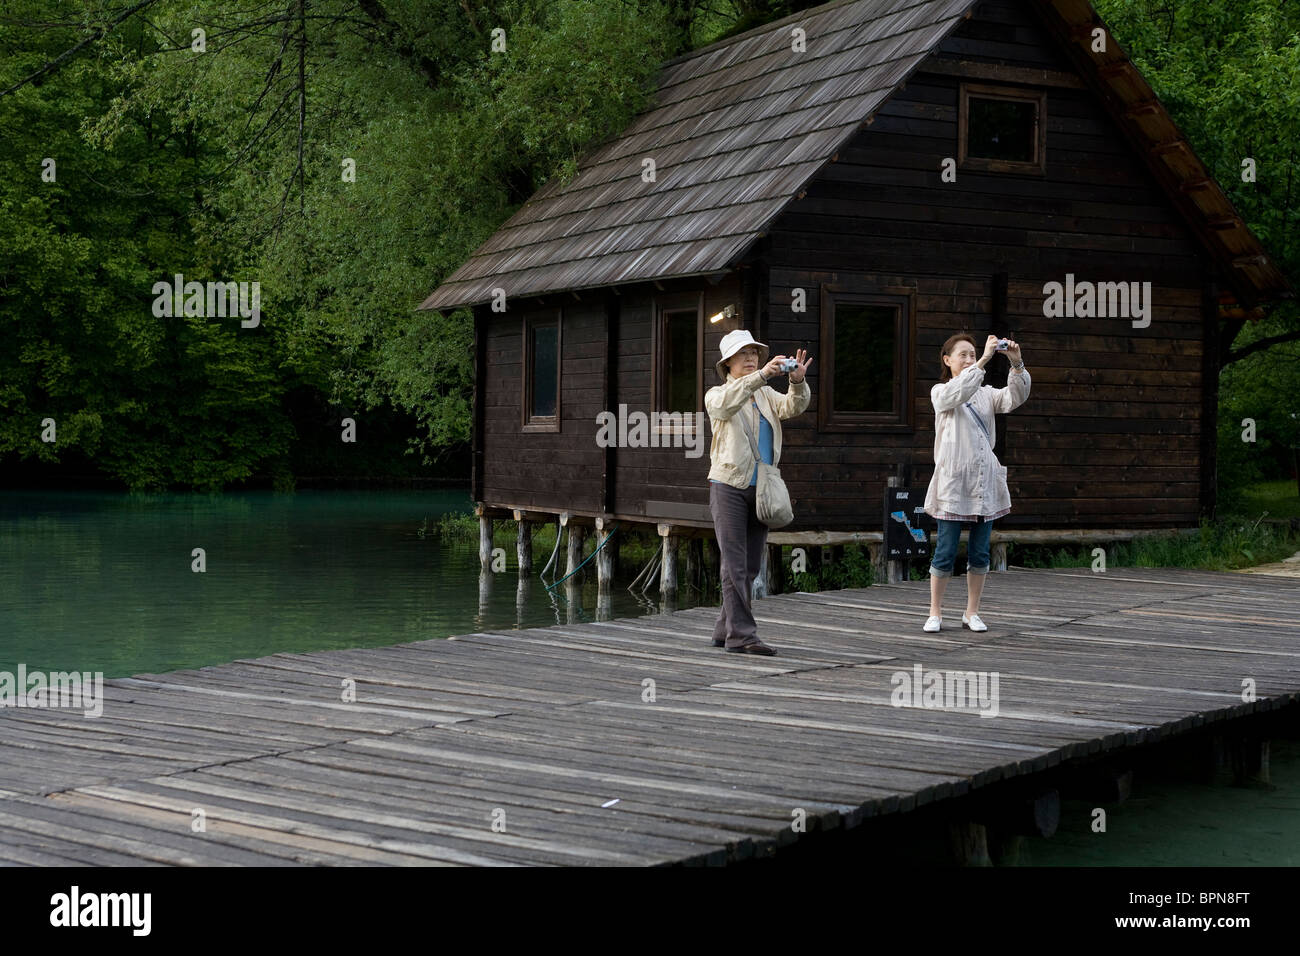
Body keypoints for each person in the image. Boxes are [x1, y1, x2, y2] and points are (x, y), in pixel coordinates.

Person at [705, 329, 812, 655]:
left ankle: (725, 629)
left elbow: (794, 407)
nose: (751, 358)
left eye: (754, 353)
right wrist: (763, 376)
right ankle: (743, 636)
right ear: (728, 364)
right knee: (734, 565)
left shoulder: (764, 395)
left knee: (750, 567)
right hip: (728, 487)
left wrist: (797, 381)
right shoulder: (716, 394)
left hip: (761, 489)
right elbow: (725, 406)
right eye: (743, 354)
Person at [923, 333, 1030, 633]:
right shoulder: (940, 391)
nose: (970, 359)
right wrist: (983, 360)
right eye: (964, 355)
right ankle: (935, 611)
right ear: (947, 360)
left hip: (984, 483)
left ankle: (972, 612)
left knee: (980, 551)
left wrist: (1016, 362)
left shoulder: (986, 393)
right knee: (944, 549)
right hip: (954, 484)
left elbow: (1015, 397)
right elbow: (956, 393)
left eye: (973, 354)